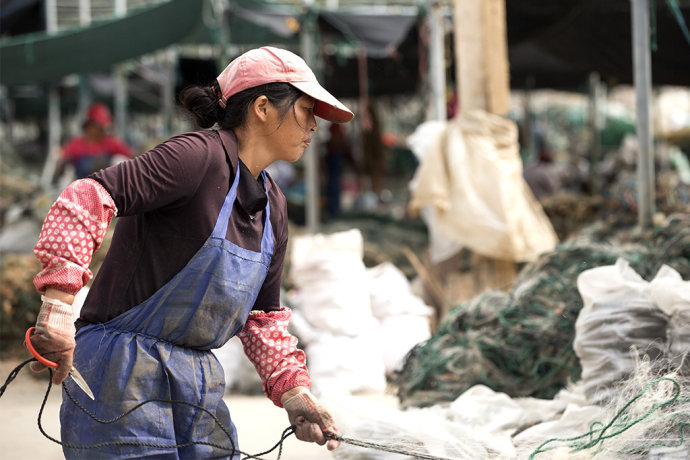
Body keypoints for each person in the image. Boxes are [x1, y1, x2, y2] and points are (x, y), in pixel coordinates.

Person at [27, 46, 354, 459]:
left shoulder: (274, 208)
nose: (315, 126)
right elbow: (87, 197)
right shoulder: (196, 157)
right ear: (263, 108)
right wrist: (57, 305)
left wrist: (294, 390)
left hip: (196, 377)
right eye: (308, 110)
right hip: (119, 369)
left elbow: (261, 318)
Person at [56, 102, 132, 180]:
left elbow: (130, 158)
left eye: (103, 127)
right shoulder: (75, 144)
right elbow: (61, 164)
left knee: (119, 159)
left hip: (106, 187)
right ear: (90, 125)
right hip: (82, 186)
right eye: (99, 126)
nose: (101, 130)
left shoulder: (110, 142)